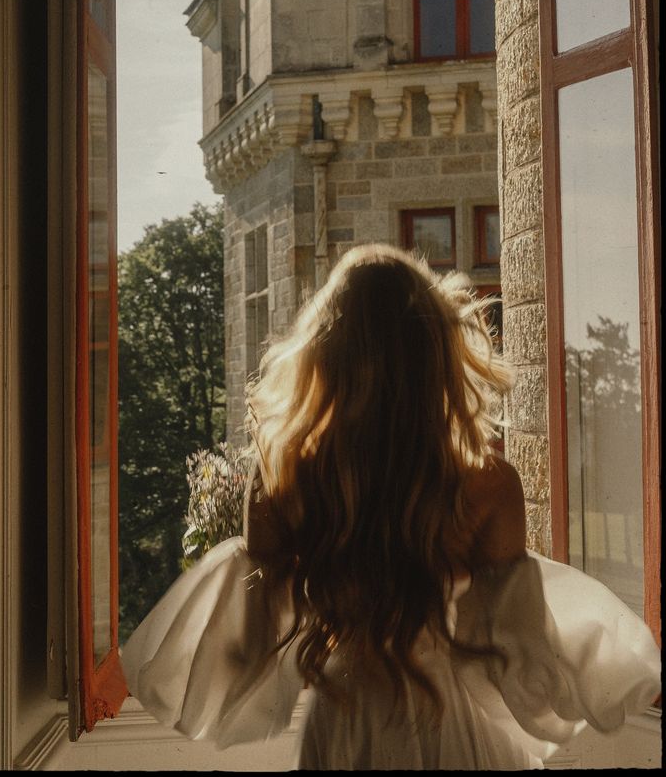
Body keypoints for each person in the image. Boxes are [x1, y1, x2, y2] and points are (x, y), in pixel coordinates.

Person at [122, 243, 660, 769]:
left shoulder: (281, 482)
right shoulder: (488, 485)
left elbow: (245, 661)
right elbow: (515, 663)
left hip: (344, 725)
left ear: (322, 357)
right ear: (439, 356)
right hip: (452, 726)